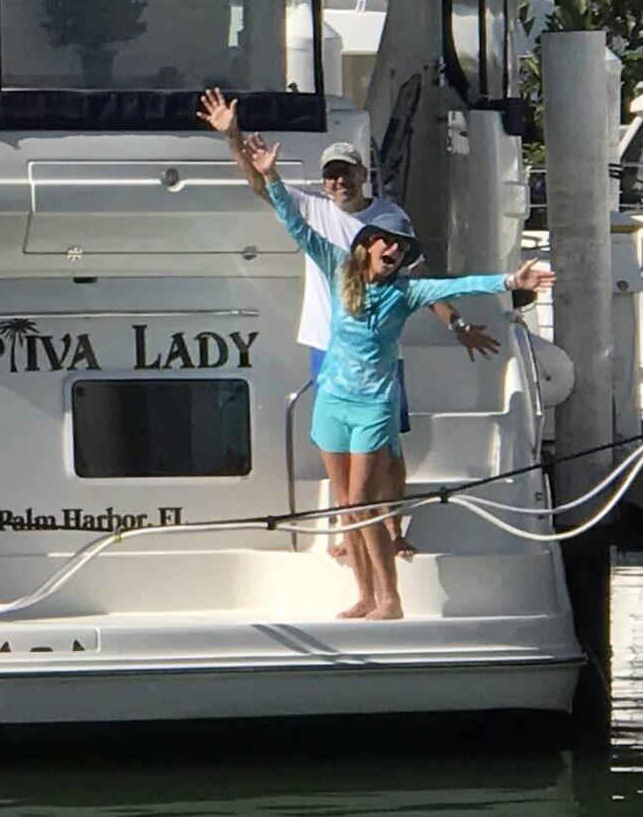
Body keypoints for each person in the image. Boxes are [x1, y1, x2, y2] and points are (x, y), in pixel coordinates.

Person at [243, 133, 553, 619]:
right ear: (365, 247)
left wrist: (512, 281)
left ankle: (390, 600)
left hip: (372, 406)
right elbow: (295, 226)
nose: (391, 247)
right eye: (383, 240)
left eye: (399, 244)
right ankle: (365, 596)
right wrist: (270, 176)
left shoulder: (405, 292)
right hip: (332, 402)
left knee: (365, 504)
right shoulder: (337, 268)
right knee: (346, 506)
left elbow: (461, 283)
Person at [197, 89, 499, 557]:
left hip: (377, 350)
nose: (338, 181)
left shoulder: (389, 218)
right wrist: (232, 136)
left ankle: (393, 528)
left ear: (363, 175)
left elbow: (423, 281)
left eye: (346, 172)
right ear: (324, 181)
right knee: (339, 449)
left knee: (390, 447)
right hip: (327, 345)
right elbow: (260, 185)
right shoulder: (314, 208)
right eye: (331, 174)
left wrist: (458, 327)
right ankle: (348, 530)